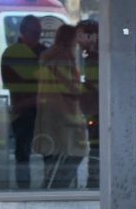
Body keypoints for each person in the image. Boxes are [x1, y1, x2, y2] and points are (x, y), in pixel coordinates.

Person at [34, 23, 87, 189]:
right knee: (72, 155)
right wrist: (86, 90)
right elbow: (70, 87)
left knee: (51, 160)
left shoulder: (47, 57)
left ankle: (50, 193)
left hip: (48, 115)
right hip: (65, 115)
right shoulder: (63, 57)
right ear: (71, 39)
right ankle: (57, 195)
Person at [0, 14, 44, 189]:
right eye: (34, 33)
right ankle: (24, 189)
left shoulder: (41, 50)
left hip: (39, 108)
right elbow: (39, 77)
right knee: (23, 151)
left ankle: (47, 186)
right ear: (24, 32)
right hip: (24, 110)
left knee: (42, 150)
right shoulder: (15, 52)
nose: (38, 36)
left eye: (39, 32)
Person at [77, 19, 101, 189]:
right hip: (94, 110)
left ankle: (95, 182)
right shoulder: (90, 55)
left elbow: (96, 85)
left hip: (99, 111)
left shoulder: (97, 57)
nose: (77, 40)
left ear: (92, 36)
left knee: (97, 146)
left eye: (80, 36)